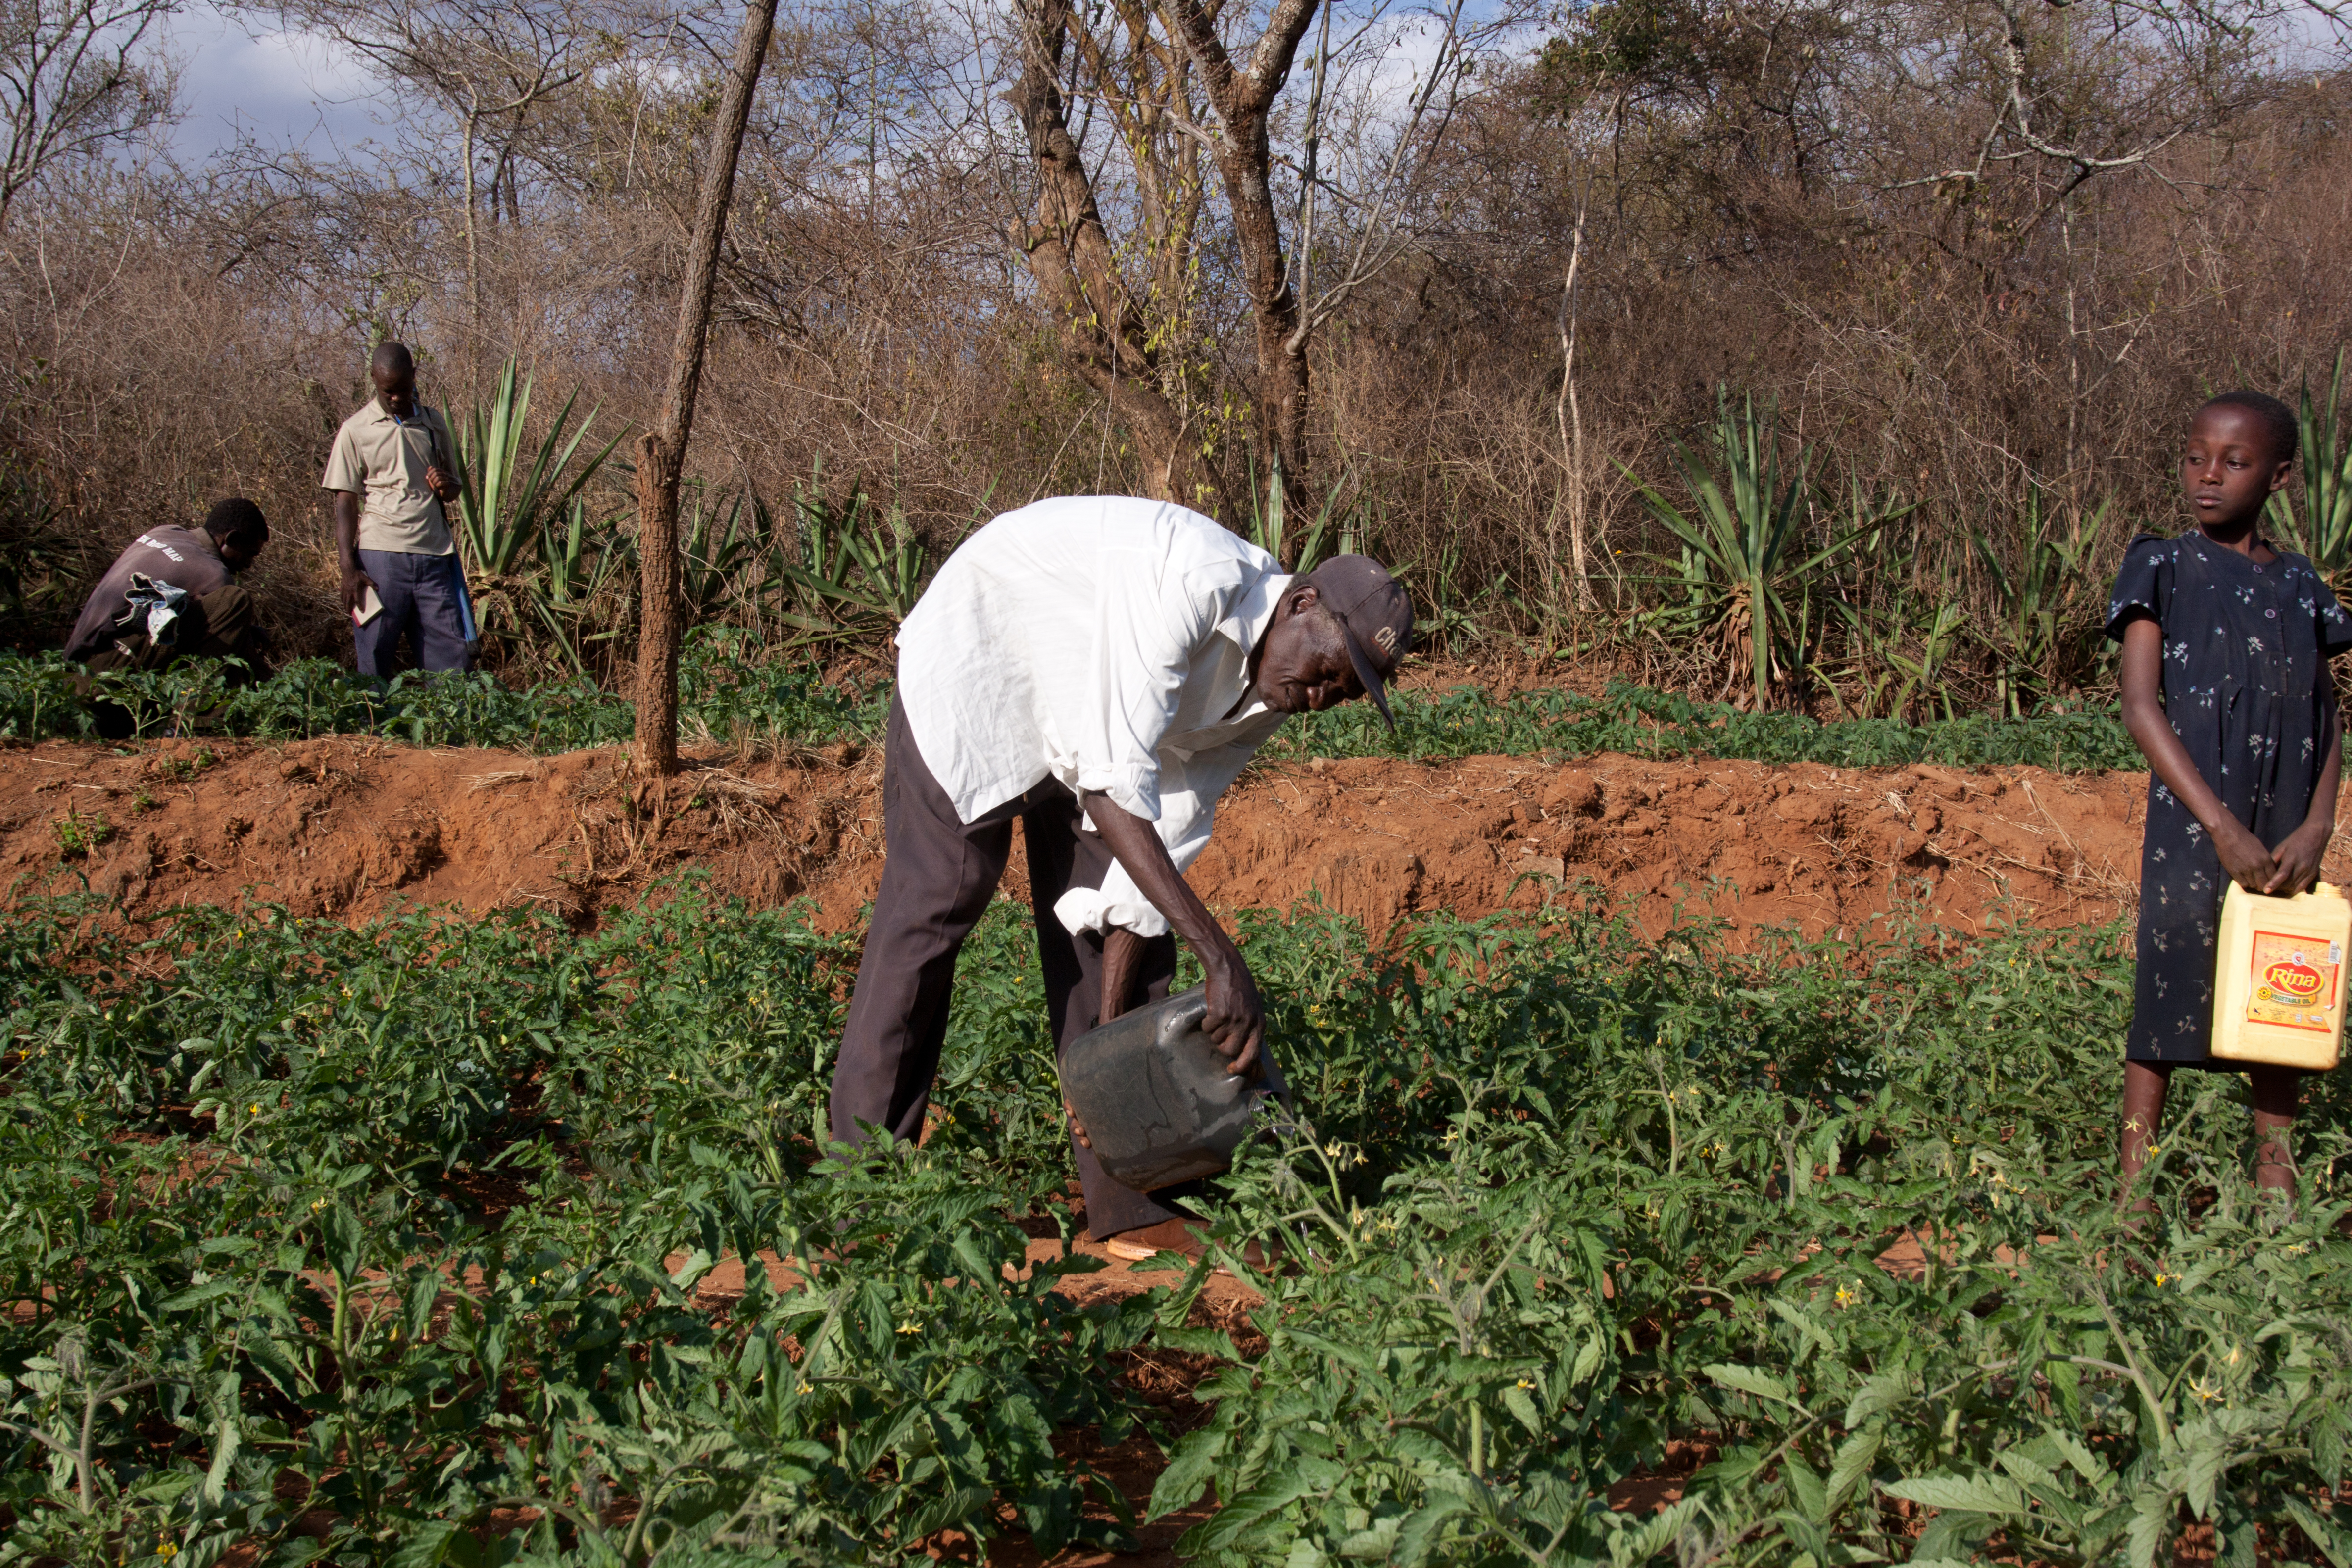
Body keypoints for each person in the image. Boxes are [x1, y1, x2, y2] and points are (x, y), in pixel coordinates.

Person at [828, 495, 1411, 1261]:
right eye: (1328, 670)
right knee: (937, 903)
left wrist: (1108, 1056)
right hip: (984, 664)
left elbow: (1163, 829)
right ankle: (862, 1201)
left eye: (1344, 694)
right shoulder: (1187, 582)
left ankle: (1133, 1200)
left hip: (1088, 726)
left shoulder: (1272, 692)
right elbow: (1109, 784)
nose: (1321, 697)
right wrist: (1221, 955)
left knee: (1122, 943)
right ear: (1300, 603)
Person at [2110, 390, 2352, 1211]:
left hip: (2284, 820)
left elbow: (2326, 713)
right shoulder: (2161, 565)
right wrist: (2217, 825)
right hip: (2196, 819)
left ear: (2279, 475)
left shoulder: (2302, 585)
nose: (2206, 475)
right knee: (2169, 988)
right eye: (2194, 457)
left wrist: (2318, 822)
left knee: (2280, 998)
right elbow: (2140, 705)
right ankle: (2133, 1202)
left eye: (2234, 461)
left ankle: (2274, 1193)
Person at [323, 341, 471, 678]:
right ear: (373, 379)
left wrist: (446, 486)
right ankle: (371, 727)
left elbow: (455, 489)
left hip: (435, 554)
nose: (396, 398)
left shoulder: (433, 424)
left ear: (415, 378)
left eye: (404, 390)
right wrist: (348, 566)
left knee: (449, 654)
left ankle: (454, 726)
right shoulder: (355, 430)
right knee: (375, 650)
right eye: (388, 391)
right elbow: (345, 500)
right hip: (381, 555)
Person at [64, 497, 271, 678]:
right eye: (249, 554)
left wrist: (248, 630)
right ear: (231, 540)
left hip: (76, 661)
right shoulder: (215, 575)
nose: (248, 565)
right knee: (235, 601)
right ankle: (200, 719)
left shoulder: (165, 532)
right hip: (103, 671)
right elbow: (229, 640)